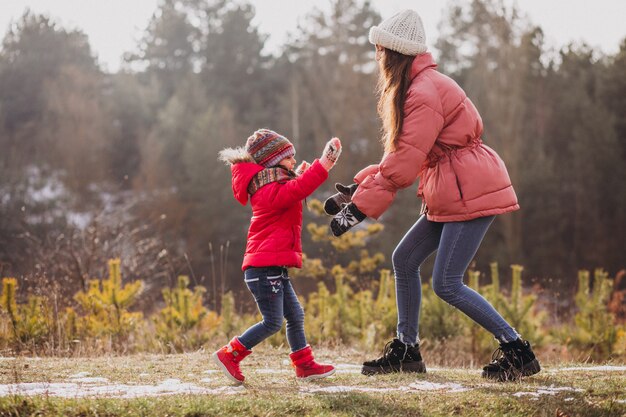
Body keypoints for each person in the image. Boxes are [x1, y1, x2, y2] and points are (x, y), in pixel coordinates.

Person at [325, 10, 540, 382]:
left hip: (468, 187)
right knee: (404, 258)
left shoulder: (423, 92)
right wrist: (364, 184)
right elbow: (406, 153)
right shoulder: (420, 86)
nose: (377, 57)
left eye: (380, 50)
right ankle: (407, 350)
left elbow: (406, 162)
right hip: (450, 187)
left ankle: (517, 350)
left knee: (447, 283)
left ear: (394, 53)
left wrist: (361, 208)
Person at [214, 129, 341, 384]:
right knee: (272, 322)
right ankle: (230, 354)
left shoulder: (271, 185)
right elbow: (293, 192)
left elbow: (293, 190)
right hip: (263, 269)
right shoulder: (265, 189)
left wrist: (301, 175)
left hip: (273, 267)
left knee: (295, 315)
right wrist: (323, 165)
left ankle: (304, 365)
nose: (293, 161)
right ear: (272, 160)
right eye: (288, 158)